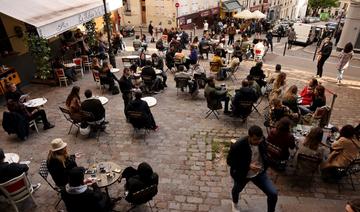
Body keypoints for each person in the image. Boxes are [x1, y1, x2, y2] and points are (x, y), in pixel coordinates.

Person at [227, 125, 277, 212]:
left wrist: (267, 161)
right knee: (237, 189)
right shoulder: (238, 145)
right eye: (255, 140)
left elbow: (265, 153)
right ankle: (234, 203)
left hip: (259, 173)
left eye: (259, 139)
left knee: (273, 194)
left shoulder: (262, 140)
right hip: (243, 174)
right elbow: (230, 162)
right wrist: (248, 166)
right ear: (249, 136)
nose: (258, 141)